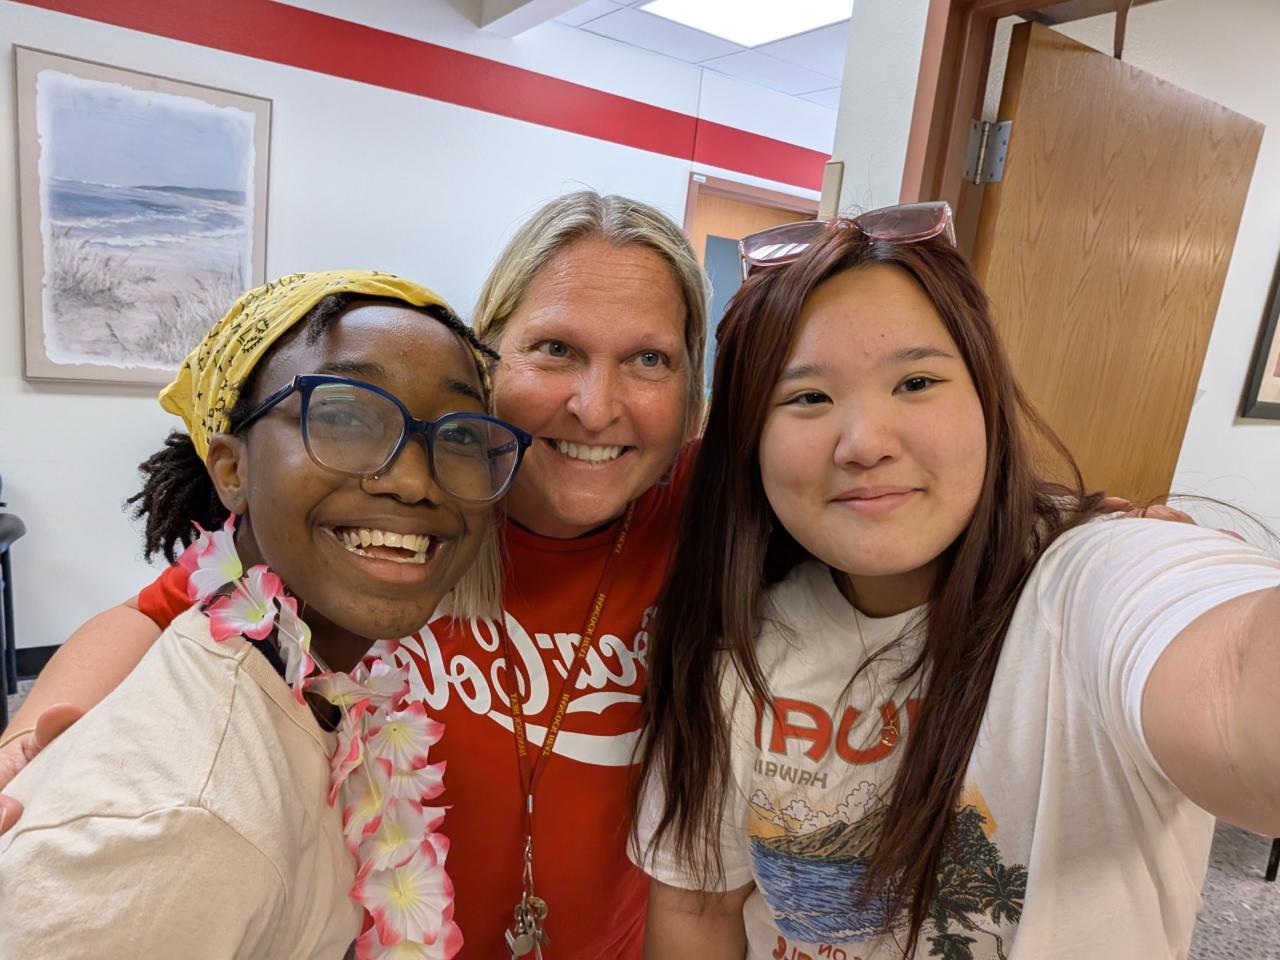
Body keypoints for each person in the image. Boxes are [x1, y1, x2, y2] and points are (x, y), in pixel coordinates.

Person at [0, 192, 709, 957]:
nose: (596, 408)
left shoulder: (706, 523)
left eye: (650, 360)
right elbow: (151, 615)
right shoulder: (391, 531)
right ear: (489, 360)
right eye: (556, 349)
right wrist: (25, 752)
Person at [634, 206, 1280, 959]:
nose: (864, 443)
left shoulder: (1091, 580)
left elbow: (1235, 681)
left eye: (915, 381)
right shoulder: (740, 643)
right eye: (807, 397)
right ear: (748, 441)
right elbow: (699, 907)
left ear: (986, 401)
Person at [0, 270, 531, 957]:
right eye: (344, 416)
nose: (413, 480)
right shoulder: (180, 824)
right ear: (232, 470)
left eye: (458, 437)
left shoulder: (312, 689)